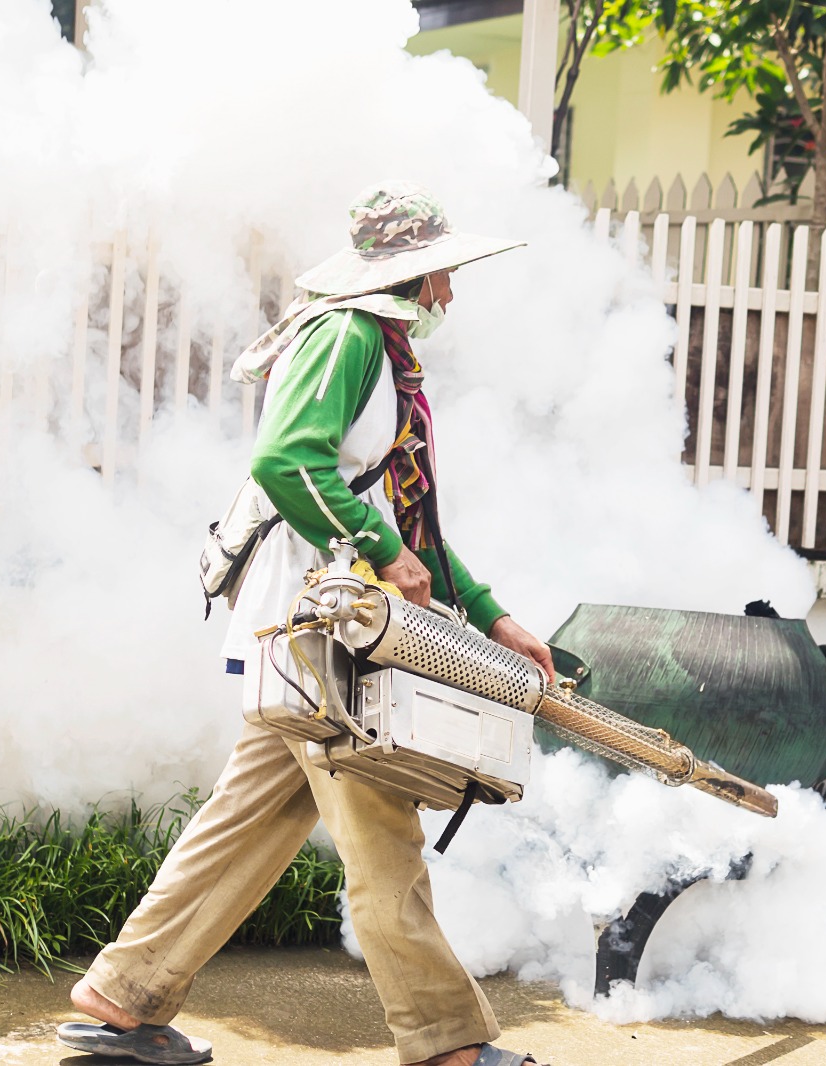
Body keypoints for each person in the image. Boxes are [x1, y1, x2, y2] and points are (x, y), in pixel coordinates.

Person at [56, 182, 553, 1066]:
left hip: (319, 622)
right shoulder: (350, 334)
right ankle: (448, 1046)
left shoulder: (371, 342)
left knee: (250, 817)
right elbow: (288, 462)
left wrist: (489, 613)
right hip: (321, 626)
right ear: (412, 274)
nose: (450, 293)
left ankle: (123, 995)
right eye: (442, 274)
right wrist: (375, 549)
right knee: (381, 826)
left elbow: (407, 516)